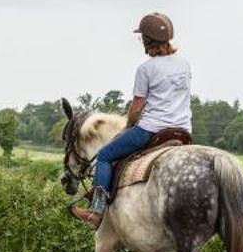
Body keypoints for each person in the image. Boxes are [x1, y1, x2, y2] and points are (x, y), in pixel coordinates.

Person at [71, 12, 192, 227]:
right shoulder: (184, 65)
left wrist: (128, 126)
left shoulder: (146, 69)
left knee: (106, 155)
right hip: (183, 131)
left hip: (151, 130)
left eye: (142, 38)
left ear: (147, 40)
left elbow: (137, 107)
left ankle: (95, 212)